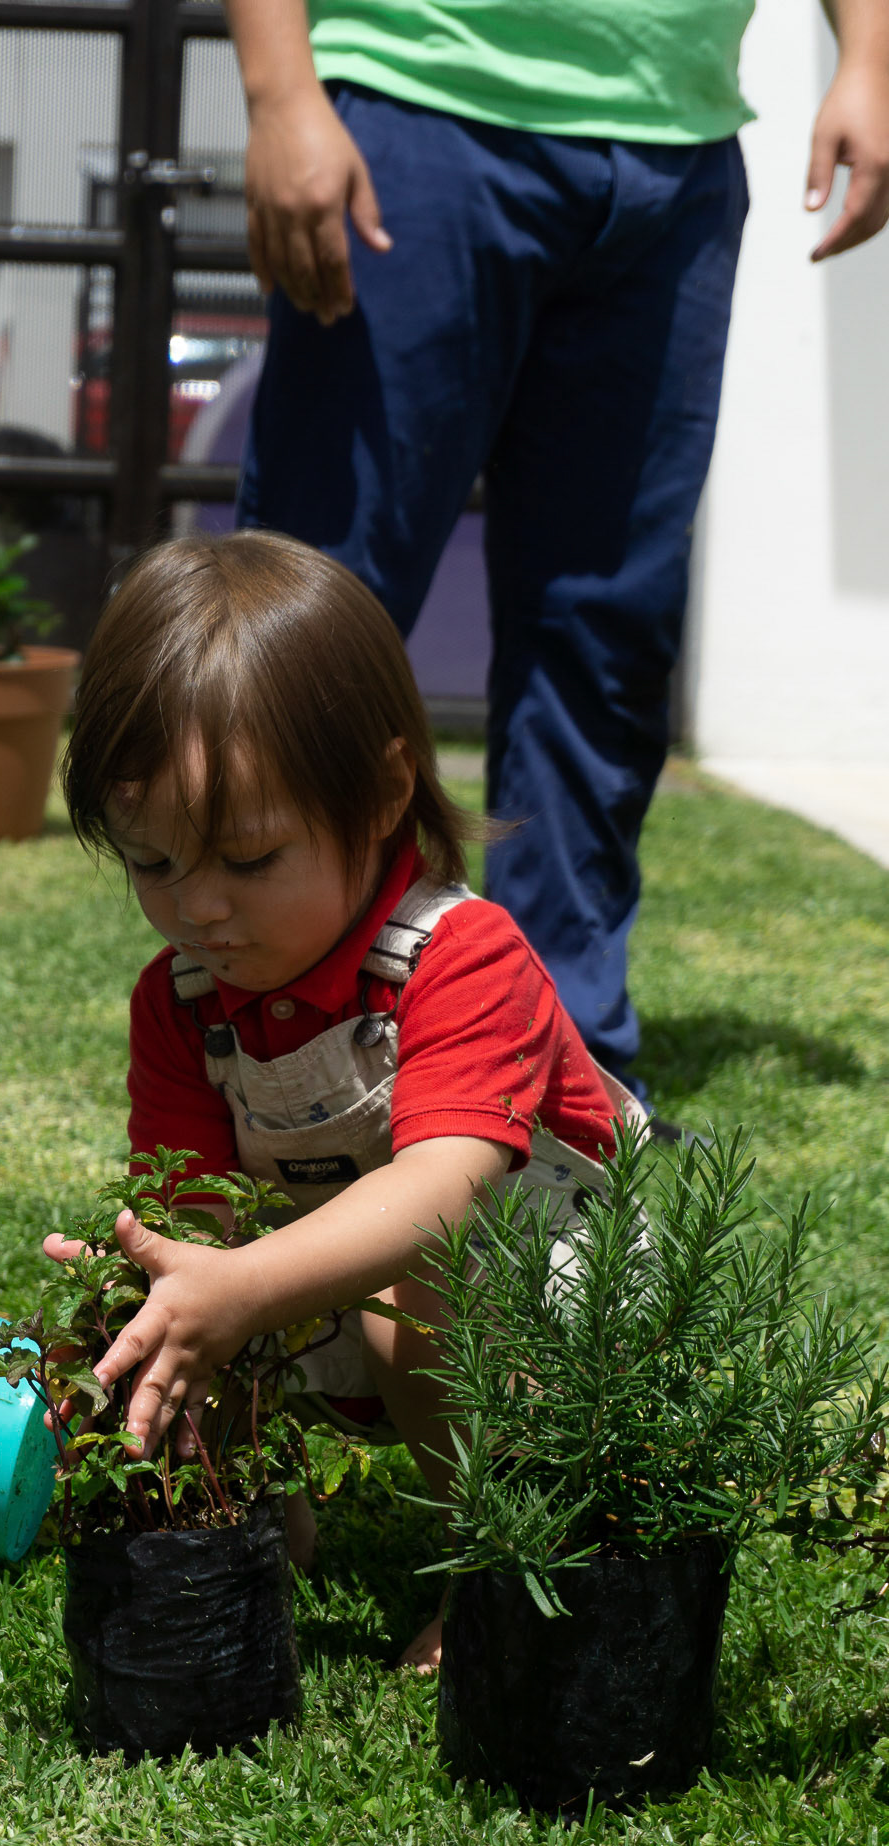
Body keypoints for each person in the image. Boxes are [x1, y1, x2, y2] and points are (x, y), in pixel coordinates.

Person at [226, 0, 889, 1101]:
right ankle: (280, 1047)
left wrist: (867, 54)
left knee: (605, 628)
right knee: (317, 615)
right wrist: (279, 88)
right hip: (419, 100)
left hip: (675, 151)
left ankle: (549, 1068)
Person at [46, 530, 643, 1669]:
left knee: (401, 1291)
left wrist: (238, 1287)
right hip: (343, 1263)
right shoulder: (182, 1001)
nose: (199, 909)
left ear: (380, 795)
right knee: (182, 1300)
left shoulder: (463, 955)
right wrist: (164, 1282)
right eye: (153, 865)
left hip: (551, 1297)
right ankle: (262, 1524)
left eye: (250, 859)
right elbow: (200, 1217)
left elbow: (436, 1195)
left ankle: (509, 1568)